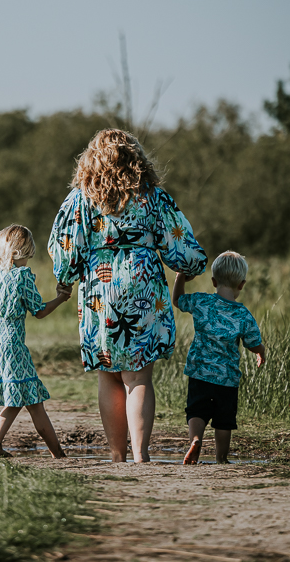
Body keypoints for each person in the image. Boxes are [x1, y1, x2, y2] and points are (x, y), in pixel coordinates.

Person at [48, 129, 207, 463]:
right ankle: (141, 455)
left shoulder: (81, 197)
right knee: (138, 376)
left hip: (99, 289)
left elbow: (65, 246)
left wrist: (65, 277)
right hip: (143, 283)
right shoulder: (151, 196)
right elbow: (179, 242)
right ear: (136, 159)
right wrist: (191, 265)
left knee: (108, 375)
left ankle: (118, 456)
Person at [0, 224, 72, 459]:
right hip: (13, 345)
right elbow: (40, 311)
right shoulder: (22, 277)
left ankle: (2, 446)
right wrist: (61, 298)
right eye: (28, 256)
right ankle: (54, 455)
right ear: (21, 252)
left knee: (25, 400)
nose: (28, 262)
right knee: (29, 400)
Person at [173, 250, 266, 464]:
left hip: (199, 373)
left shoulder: (201, 302)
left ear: (214, 281)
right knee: (224, 421)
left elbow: (177, 300)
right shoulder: (243, 315)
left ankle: (196, 440)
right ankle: (221, 459)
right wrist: (261, 351)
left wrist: (180, 276)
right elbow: (253, 343)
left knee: (196, 411)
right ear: (242, 284)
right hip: (227, 378)